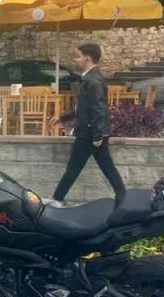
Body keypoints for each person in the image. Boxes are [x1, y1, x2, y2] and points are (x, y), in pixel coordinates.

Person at [49, 42, 126, 206]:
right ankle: (123, 196)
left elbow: (98, 109)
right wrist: (62, 117)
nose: (76, 60)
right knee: (106, 167)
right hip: (92, 133)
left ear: (87, 58)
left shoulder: (93, 81)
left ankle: (57, 200)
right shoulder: (90, 79)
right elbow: (82, 107)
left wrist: (97, 135)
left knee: (74, 168)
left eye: (78, 56)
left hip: (89, 134)